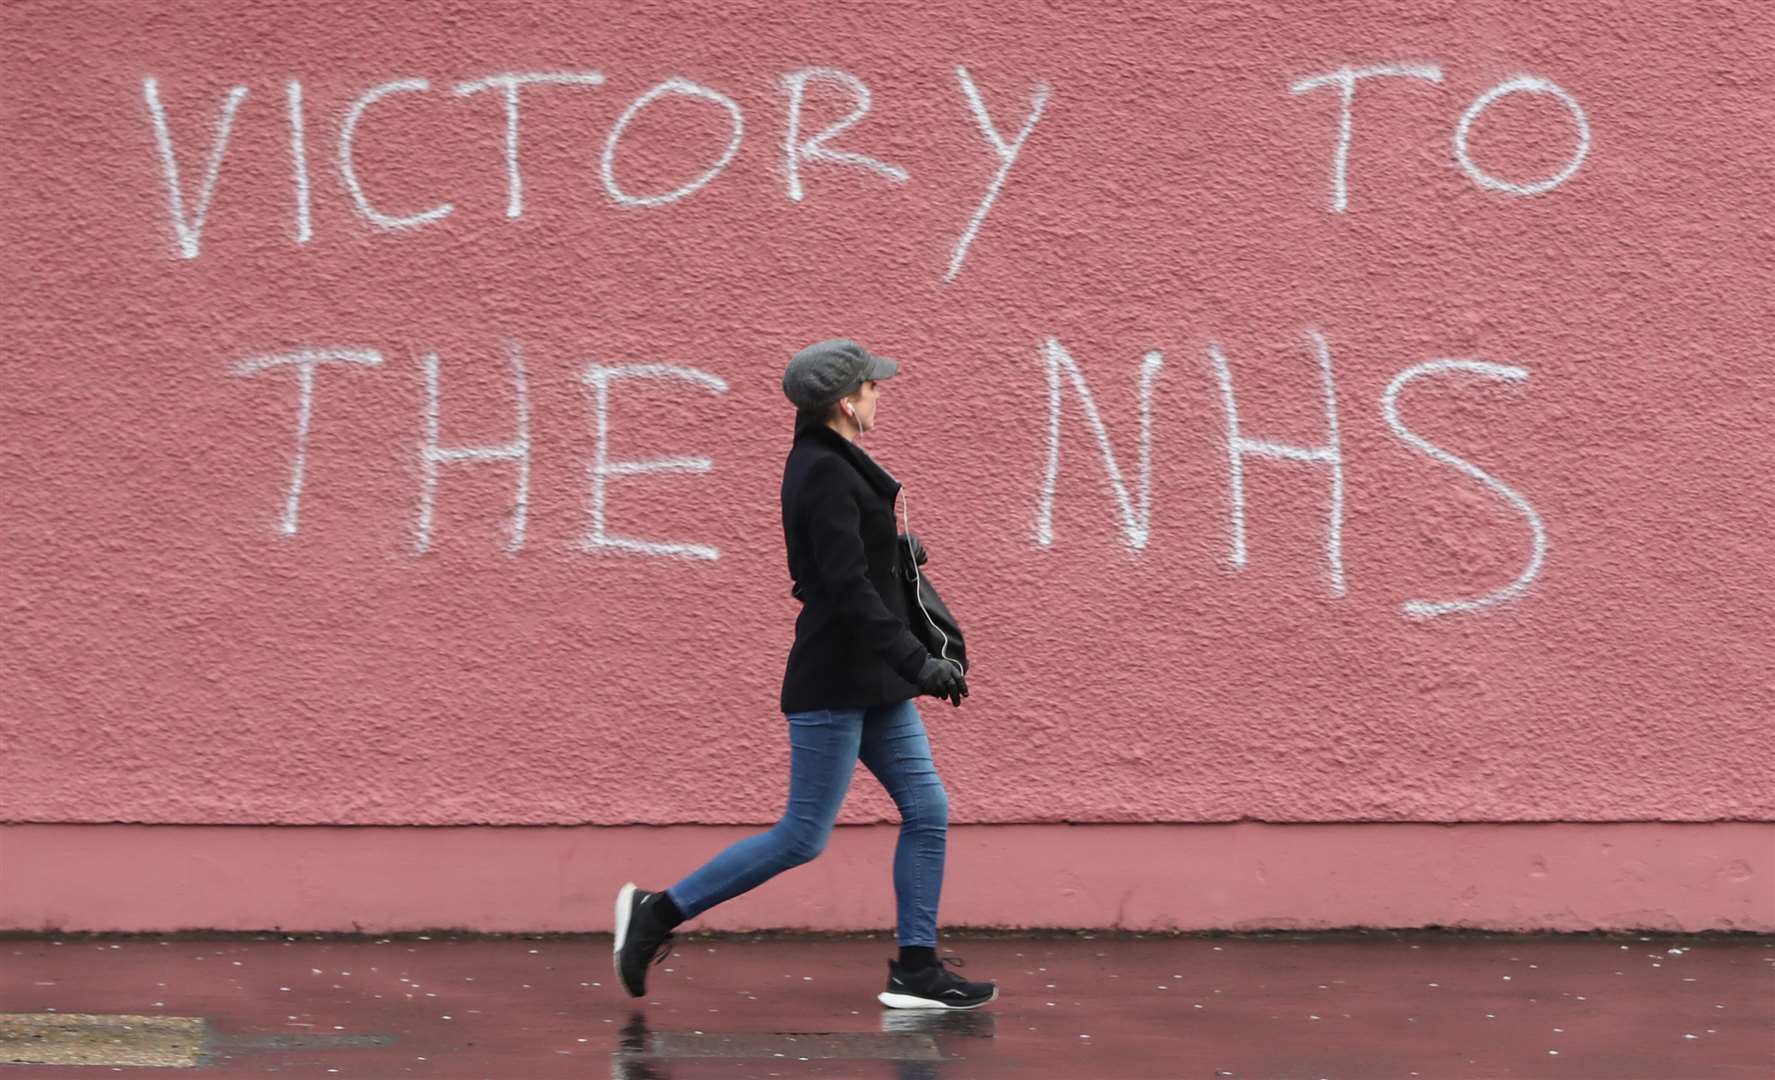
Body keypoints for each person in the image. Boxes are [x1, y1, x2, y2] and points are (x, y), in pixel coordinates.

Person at [612, 338, 995, 1011]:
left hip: (872, 682)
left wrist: (895, 552)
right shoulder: (820, 470)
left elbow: (847, 562)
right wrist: (919, 662)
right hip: (833, 681)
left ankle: (915, 967)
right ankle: (655, 913)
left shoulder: (835, 463)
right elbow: (842, 590)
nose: (879, 395)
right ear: (846, 402)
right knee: (802, 835)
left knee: (926, 809)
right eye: (872, 388)